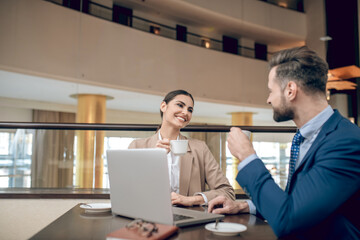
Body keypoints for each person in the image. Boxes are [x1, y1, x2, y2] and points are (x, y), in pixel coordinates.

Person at [208, 46, 360, 239]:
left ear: (290, 90)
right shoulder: (308, 137)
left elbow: (289, 220)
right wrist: (244, 205)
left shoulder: (345, 143)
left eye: (271, 91)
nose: (268, 99)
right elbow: (300, 203)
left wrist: (247, 156)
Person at [128, 89, 235, 206]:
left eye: (190, 110)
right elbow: (129, 191)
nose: (185, 113)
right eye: (180, 105)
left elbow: (227, 192)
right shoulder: (137, 146)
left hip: (189, 218)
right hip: (147, 216)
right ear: (163, 106)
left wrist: (190, 200)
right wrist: (154, 159)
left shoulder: (200, 148)